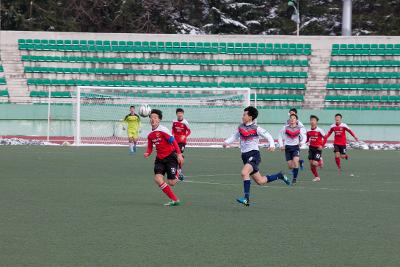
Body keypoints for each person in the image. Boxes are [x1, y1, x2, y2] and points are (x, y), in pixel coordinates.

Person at [223, 106, 290, 207]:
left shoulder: (256, 128)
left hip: (254, 155)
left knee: (244, 172)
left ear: (250, 117)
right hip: (245, 157)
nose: (242, 116)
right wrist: (226, 142)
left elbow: (268, 136)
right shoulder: (240, 127)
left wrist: (272, 145)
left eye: (244, 114)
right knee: (260, 181)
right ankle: (279, 175)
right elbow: (234, 136)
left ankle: (246, 199)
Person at [144, 109, 184, 206]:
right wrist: (147, 153)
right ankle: (174, 200)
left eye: (155, 117)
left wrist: (179, 154)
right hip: (160, 159)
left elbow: (173, 141)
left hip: (170, 157)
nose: (153, 119)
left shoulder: (163, 130)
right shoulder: (150, 135)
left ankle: (178, 172)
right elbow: (150, 147)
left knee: (172, 182)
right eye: (151, 117)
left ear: (159, 120)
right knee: (158, 179)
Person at [278, 113, 307, 184]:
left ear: (296, 120)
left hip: (295, 147)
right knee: (290, 166)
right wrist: (281, 145)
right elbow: (279, 136)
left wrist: (302, 142)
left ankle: (294, 178)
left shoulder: (299, 128)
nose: (292, 119)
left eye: (294, 118)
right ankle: (300, 162)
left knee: (295, 162)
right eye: (291, 118)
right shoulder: (285, 128)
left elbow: (304, 137)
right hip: (287, 148)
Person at [171, 108, 191, 180]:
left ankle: (179, 171)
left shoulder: (185, 122)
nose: (180, 114)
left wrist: (185, 136)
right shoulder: (174, 121)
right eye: (178, 113)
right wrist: (172, 135)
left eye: (181, 113)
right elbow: (173, 129)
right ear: (176, 114)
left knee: (178, 154)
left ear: (183, 114)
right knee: (174, 154)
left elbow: (189, 131)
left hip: (182, 142)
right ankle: (177, 170)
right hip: (175, 141)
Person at [306, 115, 326, 182]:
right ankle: (317, 177)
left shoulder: (320, 130)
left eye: (314, 120)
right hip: (311, 148)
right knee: (311, 164)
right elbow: (307, 139)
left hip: (318, 149)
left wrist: (322, 145)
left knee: (315, 163)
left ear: (316, 122)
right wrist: (302, 142)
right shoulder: (308, 130)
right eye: (311, 120)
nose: (312, 121)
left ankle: (320, 160)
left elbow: (325, 138)